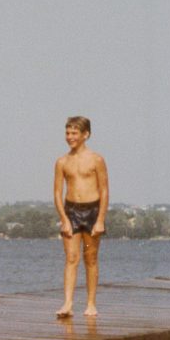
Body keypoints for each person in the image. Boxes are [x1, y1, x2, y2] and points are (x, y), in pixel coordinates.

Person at [53, 116, 109, 318]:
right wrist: (64, 219)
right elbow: (57, 192)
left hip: (92, 210)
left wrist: (100, 219)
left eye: (74, 133)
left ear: (86, 134)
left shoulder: (96, 159)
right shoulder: (62, 162)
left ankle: (91, 304)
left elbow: (104, 190)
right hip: (71, 211)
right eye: (68, 133)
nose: (70, 137)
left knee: (91, 258)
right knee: (71, 258)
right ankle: (67, 303)